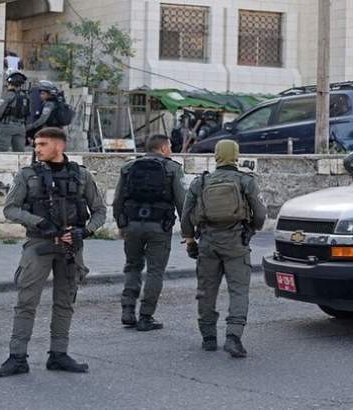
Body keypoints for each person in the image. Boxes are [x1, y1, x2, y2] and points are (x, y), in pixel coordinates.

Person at [0, 127, 107, 377]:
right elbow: (10, 209)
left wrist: (84, 232)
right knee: (26, 302)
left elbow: (100, 211)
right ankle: (17, 358)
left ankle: (59, 354)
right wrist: (39, 222)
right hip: (38, 245)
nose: (37, 149)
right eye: (36, 144)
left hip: (70, 247)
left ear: (59, 146)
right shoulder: (27, 175)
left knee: (65, 303)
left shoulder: (82, 176)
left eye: (42, 144)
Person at [181, 140, 267, 358]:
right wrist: (252, 230)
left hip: (208, 242)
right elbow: (259, 214)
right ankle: (233, 337)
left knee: (206, 290)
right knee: (238, 290)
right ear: (236, 155)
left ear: (216, 156)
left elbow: (186, 214)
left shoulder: (200, 182)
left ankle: (208, 337)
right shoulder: (245, 181)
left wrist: (190, 240)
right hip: (236, 241)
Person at [113, 134, 186, 331]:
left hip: (132, 225)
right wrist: (188, 232)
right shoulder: (173, 168)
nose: (170, 149)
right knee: (155, 271)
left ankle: (127, 311)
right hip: (159, 227)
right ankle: (146, 317)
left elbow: (118, 198)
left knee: (132, 266)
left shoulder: (129, 167)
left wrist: (120, 223)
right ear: (163, 148)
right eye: (169, 146)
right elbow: (182, 203)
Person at [0, 70, 29, 152]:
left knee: (1, 151)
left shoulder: (8, 95)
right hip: (21, 127)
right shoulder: (25, 97)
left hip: (6, 125)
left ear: (10, 83)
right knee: (19, 152)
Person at [25, 80, 59, 145]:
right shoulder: (53, 103)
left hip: (48, 131)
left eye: (43, 94)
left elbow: (43, 119)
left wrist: (31, 127)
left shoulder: (49, 104)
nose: (41, 96)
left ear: (49, 94)